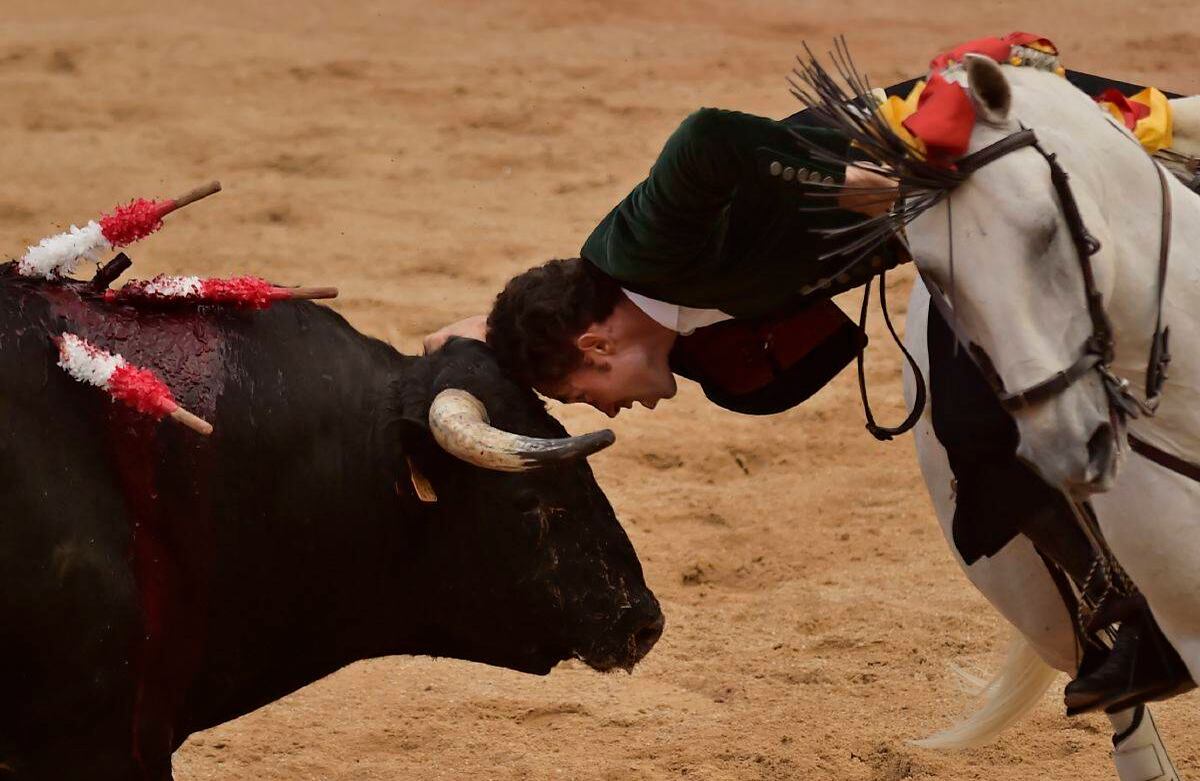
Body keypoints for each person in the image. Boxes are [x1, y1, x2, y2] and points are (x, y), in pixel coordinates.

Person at [425, 78, 1195, 712]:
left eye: (584, 392)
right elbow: (483, 330)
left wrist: (855, 185)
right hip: (960, 222)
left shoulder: (641, 251)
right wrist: (464, 353)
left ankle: (1130, 615)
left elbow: (705, 138)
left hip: (981, 144)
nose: (605, 408)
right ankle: (1127, 616)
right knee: (973, 427)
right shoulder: (636, 321)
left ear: (596, 345)